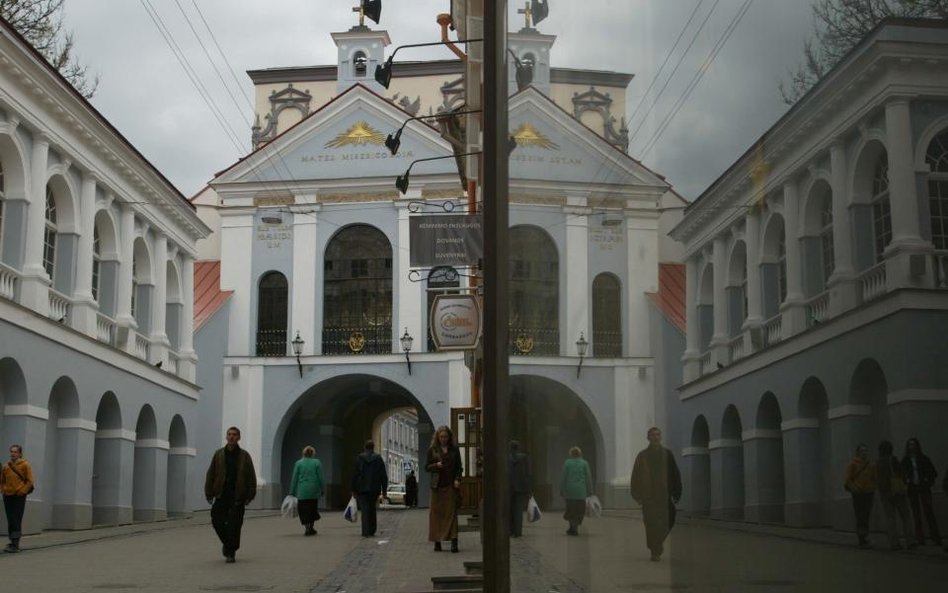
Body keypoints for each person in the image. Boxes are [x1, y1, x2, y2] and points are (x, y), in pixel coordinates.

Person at [205, 426, 257, 563]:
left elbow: (251, 476)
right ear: (226, 437)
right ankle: (229, 544)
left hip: (237, 495)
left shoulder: (244, 456)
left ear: (239, 437)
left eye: (234, 434)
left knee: (235, 524)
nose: (231, 437)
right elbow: (211, 473)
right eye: (229, 434)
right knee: (216, 520)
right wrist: (209, 492)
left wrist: (250, 495)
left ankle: (231, 553)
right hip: (221, 493)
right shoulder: (219, 454)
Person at [630, 427, 682, 561]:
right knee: (651, 523)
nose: (656, 437)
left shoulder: (667, 454)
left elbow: (675, 473)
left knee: (670, 518)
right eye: (653, 435)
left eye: (658, 435)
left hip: (664, 494)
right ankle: (655, 551)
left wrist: (677, 492)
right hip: (648, 495)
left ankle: (657, 542)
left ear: (661, 437)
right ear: (648, 438)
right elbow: (635, 476)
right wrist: (637, 495)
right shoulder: (642, 456)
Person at [426, 425, 463, 552]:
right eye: (441, 437)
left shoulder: (454, 450)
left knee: (451, 514)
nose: (443, 439)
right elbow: (426, 467)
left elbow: (459, 467)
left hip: (450, 486)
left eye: (446, 437)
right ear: (438, 437)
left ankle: (454, 541)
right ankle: (437, 541)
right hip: (436, 486)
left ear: (449, 437)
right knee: (436, 514)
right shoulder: (433, 450)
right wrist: (436, 465)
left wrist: (458, 479)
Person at [900, 437, 941, 547]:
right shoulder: (906, 460)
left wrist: (927, 482)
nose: (911, 447)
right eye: (910, 445)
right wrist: (907, 481)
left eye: (913, 445)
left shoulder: (923, 459)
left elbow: (933, 473)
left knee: (928, 512)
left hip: (923, 488)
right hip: (912, 489)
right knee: (916, 513)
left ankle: (935, 536)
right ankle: (920, 538)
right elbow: (901, 474)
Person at [876, 440, 916, 550]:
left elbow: (877, 479)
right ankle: (910, 541)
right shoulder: (893, 459)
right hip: (897, 491)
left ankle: (894, 543)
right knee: (906, 516)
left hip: (884, 493)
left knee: (890, 518)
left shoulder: (878, 462)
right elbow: (901, 473)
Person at [1, 445, 34, 553]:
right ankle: (12, 542)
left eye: (15, 452)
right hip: (7, 495)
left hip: (18, 496)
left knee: (16, 518)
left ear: (20, 454)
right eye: (11, 451)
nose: (12, 453)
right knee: (10, 518)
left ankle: (15, 544)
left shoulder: (25, 465)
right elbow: (2, 480)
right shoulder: (6, 466)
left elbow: (30, 481)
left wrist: (22, 491)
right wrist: (3, 490)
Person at [351, 439, 387, 538]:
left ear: (365, 447)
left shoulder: (359, 458)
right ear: (373, 448)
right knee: (372, 509)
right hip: (374, 488)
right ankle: (372, 530)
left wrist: (353, 489)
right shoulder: (378, 458)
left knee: (365, 510)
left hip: (361, 488)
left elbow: (355, 474)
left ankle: (365, 531)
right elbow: (383, 475)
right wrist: (384, 490)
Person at [844, 443, 877, 549]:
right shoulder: (853, 464)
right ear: (858, 452)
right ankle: (862, 537)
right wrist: (855, 488)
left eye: (866, 451)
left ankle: (865, 535)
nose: (864, 453)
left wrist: (873, 487)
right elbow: (848, 479)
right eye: (862, 451)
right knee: (860, 515)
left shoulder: (870, 465)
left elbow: (874, 477)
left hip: (869, 492)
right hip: (858, 493)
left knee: (866, 514)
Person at [289, 445, 325, 536]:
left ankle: (307, 527)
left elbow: (294, 478)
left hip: (302, 491)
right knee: (312, 509)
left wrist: (292, 491)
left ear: (303, 453)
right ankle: (311, 527)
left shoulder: (298, 463)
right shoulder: (317, 462)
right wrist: (323, 489)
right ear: (313, 453)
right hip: (314, 490)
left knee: (303, 510)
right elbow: (321, 477)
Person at [559, 445, 593, 536]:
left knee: (570, 509)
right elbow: (588, 478)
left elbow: (563, 478)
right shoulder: (584, 463)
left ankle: (571, 527)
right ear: (580, 454)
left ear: (571, 454)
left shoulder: (567, 463)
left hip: (570, 491)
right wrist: (590, 491)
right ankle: (575, 527)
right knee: (579, 511)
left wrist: (561, 489)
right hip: (581, 491)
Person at [509, 440, 531, 538]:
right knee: (518, 510)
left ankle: (511, 530)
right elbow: (528, 473)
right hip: (521, 487)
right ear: (518, 447)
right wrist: (528, 487)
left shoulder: (507, 458)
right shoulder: (524, 458)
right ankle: (518, 531)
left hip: (509, 487)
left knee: (510, 510)